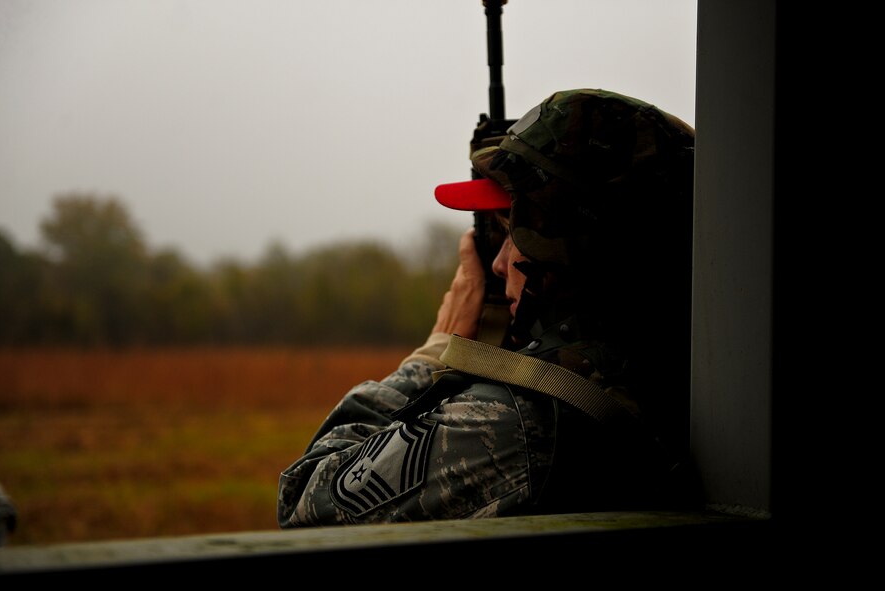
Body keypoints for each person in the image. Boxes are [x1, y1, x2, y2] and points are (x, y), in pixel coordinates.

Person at [277, 88, 699, 527]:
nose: (498, 263)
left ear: (565, 247)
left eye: (514, 233)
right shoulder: (679, 372)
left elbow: (303, 503)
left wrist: (431, 355)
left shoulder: (518, 423)